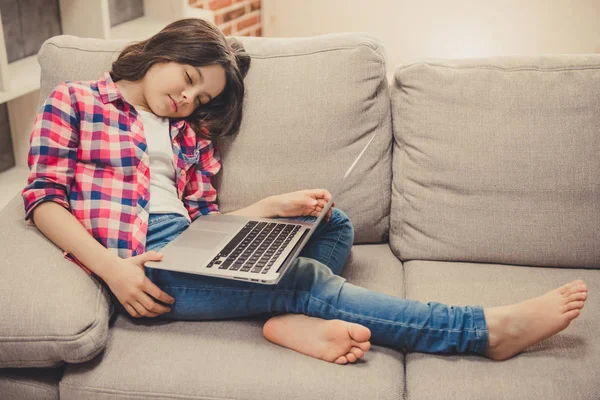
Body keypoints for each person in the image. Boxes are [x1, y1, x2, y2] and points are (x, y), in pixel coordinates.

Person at [22, 18, 588, 365]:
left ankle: (287, 315)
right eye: (190, 80)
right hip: (143, 262)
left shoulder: (184, 135)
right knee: (308, 278)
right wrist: (114, 270)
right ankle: (480, 332)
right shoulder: (75, 101)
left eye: (201, 100)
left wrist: (269, 210)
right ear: (163, 50)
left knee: (333, 223)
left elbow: (204, 223)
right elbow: (43, 197)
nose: (188, 101)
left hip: (189, 245)